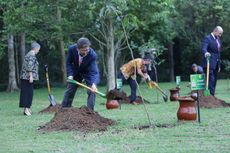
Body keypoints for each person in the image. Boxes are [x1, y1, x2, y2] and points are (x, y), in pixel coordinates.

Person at [61, 37, 99, 110]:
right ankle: (64, 110)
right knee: (70, 90)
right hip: (75, 72)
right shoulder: (72, 49)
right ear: (77, 49)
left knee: (92, 91)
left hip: (87, 73)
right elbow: (68, 62)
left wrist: (93, 84)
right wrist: (70, 75)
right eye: (83, 50)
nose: (85, 52)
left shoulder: (92, 55)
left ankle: (90, 112)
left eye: (87, 50)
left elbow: (94, 71)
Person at [19, 41, 40, 116]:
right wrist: (31, 76)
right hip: (27, 78)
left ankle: (27, 108)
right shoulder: (31, 55)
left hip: (25, 77)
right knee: (27, 93)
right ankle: (26, 109)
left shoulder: (30, 54)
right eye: (38, 49)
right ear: (36, 48)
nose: (39, 51)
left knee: (28, 93)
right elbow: (29, 66)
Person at [201, 26, 223, 95]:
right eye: (219, 33)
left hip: (216, 64)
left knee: (214, 81)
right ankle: (210, 96)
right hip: (209, 63)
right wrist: (206, 52)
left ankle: (212, 97)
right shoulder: (208, 38)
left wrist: (218, 65)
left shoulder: (218, 39)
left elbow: (218, 53)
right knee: (211, 79)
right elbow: (204, 48)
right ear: (215, 31)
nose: (220, 35)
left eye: (221, 34)